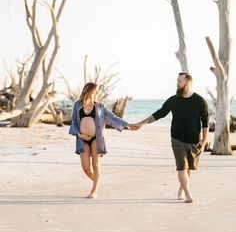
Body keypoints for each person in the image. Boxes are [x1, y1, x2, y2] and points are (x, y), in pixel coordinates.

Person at [131, 73, 209, 203]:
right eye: (177, 81)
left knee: (189, 168)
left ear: (188, 82)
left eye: (180, 81)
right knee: (181, 167)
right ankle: (188, 194)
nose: (177, 83)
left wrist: (204, 139)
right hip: (177, 139)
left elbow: (205, 122)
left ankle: (182, 189)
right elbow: (158, 114)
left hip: (194, 140)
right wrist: (141, 124)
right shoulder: (173, 100)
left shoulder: (200, 101)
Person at [69, 82, 131, 199]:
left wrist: (127, 125)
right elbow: (73, 122)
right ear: (89, 90)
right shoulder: (77, 105)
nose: (97, 92)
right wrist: (79, 134)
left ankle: (94, 190)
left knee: (96, 165)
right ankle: (96, 182)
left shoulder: (99, 106)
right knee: (85, 167)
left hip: (96, 138)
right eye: (95, 90)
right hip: (82, 139)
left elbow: (112, 117)